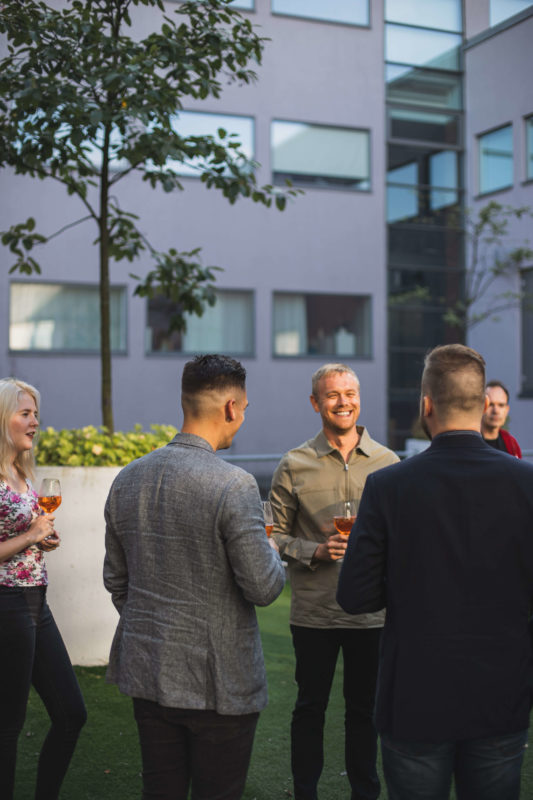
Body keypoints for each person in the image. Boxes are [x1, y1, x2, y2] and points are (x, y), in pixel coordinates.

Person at [337, 344, 533, 800]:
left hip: (414, 697)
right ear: (484, 405)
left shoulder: (388, 485)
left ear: (426, 404)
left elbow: (355, 595)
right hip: (500, 693)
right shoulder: (526, 485)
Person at [104, 354, 285, 800]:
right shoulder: (235, 485)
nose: (241, 417)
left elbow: (116, 582)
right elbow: (263, 587)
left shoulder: (128, 478)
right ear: (230, 407)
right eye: (244, 408)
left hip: (147, 671)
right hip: (217, 683)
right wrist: (274, 551)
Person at [270, 363, 398, 800]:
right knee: (310, 709)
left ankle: (366, 793)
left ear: (359, 398)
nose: (343, 402)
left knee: (364, 713)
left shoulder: (389, 463)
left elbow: (403, 536)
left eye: (350, 393)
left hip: (371, 614)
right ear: (315, 404)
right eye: (332, 395)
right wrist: (315, 551)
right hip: (315, 613)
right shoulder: (294, 464)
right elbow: (274, 535)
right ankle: (305, 792)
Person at [0, 378, 87, 800]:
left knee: (72, 713)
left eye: (36, 413)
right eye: (26, 413)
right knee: (8, 724)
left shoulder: (21, 472)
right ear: (3, 420)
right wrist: (31, 535)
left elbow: (27, 536)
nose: (35, 422)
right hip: (6, 605)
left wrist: (42, 539)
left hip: (37, 601)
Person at [481, 379, 522, 457]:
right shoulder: (469, 443)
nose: (496, 411)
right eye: (490, 404)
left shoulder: (512, 445)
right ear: (481, 407)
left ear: (507, 410)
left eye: (501, 405)